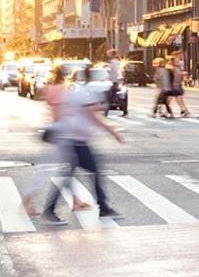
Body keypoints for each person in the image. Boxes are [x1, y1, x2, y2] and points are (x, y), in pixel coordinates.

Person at [40, 65, 125, 224]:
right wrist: (114, 132)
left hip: (74, 141)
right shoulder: (83, 93)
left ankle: (103, 207)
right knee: (71, 175)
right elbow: (93, 116)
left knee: (84, 172)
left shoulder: (76, 90)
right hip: (73, 142)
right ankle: (50, 211)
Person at [21, 65, 82, 217]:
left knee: (67, 166)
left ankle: (75, 200)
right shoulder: (62, 90)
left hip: (55, 129)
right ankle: (28, 199)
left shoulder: (51, 89)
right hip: (61, 131)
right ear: (65, 75)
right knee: (49, 169)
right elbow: (64, 112)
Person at [170, 52, 190, 117]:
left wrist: (184, 76)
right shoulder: (174, 65)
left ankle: (183, 110)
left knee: (172, 98)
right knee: (178, 98)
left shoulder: (177, 66)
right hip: (175, 84)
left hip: (176, 84)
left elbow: (178, 74)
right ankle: (184, 110)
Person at [106, 50, 124, 116]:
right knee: (114, 93)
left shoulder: (113, 62)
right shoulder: (117, 62)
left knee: (111, 94)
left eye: (108, 54)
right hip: (114, 80)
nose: (107, 55)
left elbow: (111, 71)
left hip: (113, 81)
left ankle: (112, 103)